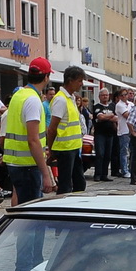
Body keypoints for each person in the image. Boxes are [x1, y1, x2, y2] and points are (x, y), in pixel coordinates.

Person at [4, 60, 54, 206]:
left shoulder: (18, 95)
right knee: (31, 212)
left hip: (15, 162)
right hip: (28, 166)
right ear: (46, 77)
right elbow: (33, 140)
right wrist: (46, 174)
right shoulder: (32, 100)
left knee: (22, 209)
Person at [49, 66, 86, 194]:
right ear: (70, 80)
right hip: (64, 149)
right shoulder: (61, 100)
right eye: (79, 81)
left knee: (80, 183)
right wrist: (51, 149)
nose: (81, 84)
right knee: (65, 185)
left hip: (74, 147)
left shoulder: (71, 98)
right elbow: (52, 128)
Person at [91, 88, 118, 180]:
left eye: (106, 95)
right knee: (100, 154)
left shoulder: (112, 106)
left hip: (110, 134)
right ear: (99, 97)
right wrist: (110, 116)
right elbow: (100, 117)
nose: (105, 97)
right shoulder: (97, 106)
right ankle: (97, 174)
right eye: (103, 95)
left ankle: (104, 175)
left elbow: (116, 118)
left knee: (107, 155)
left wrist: (108, 117)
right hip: (100, 133)